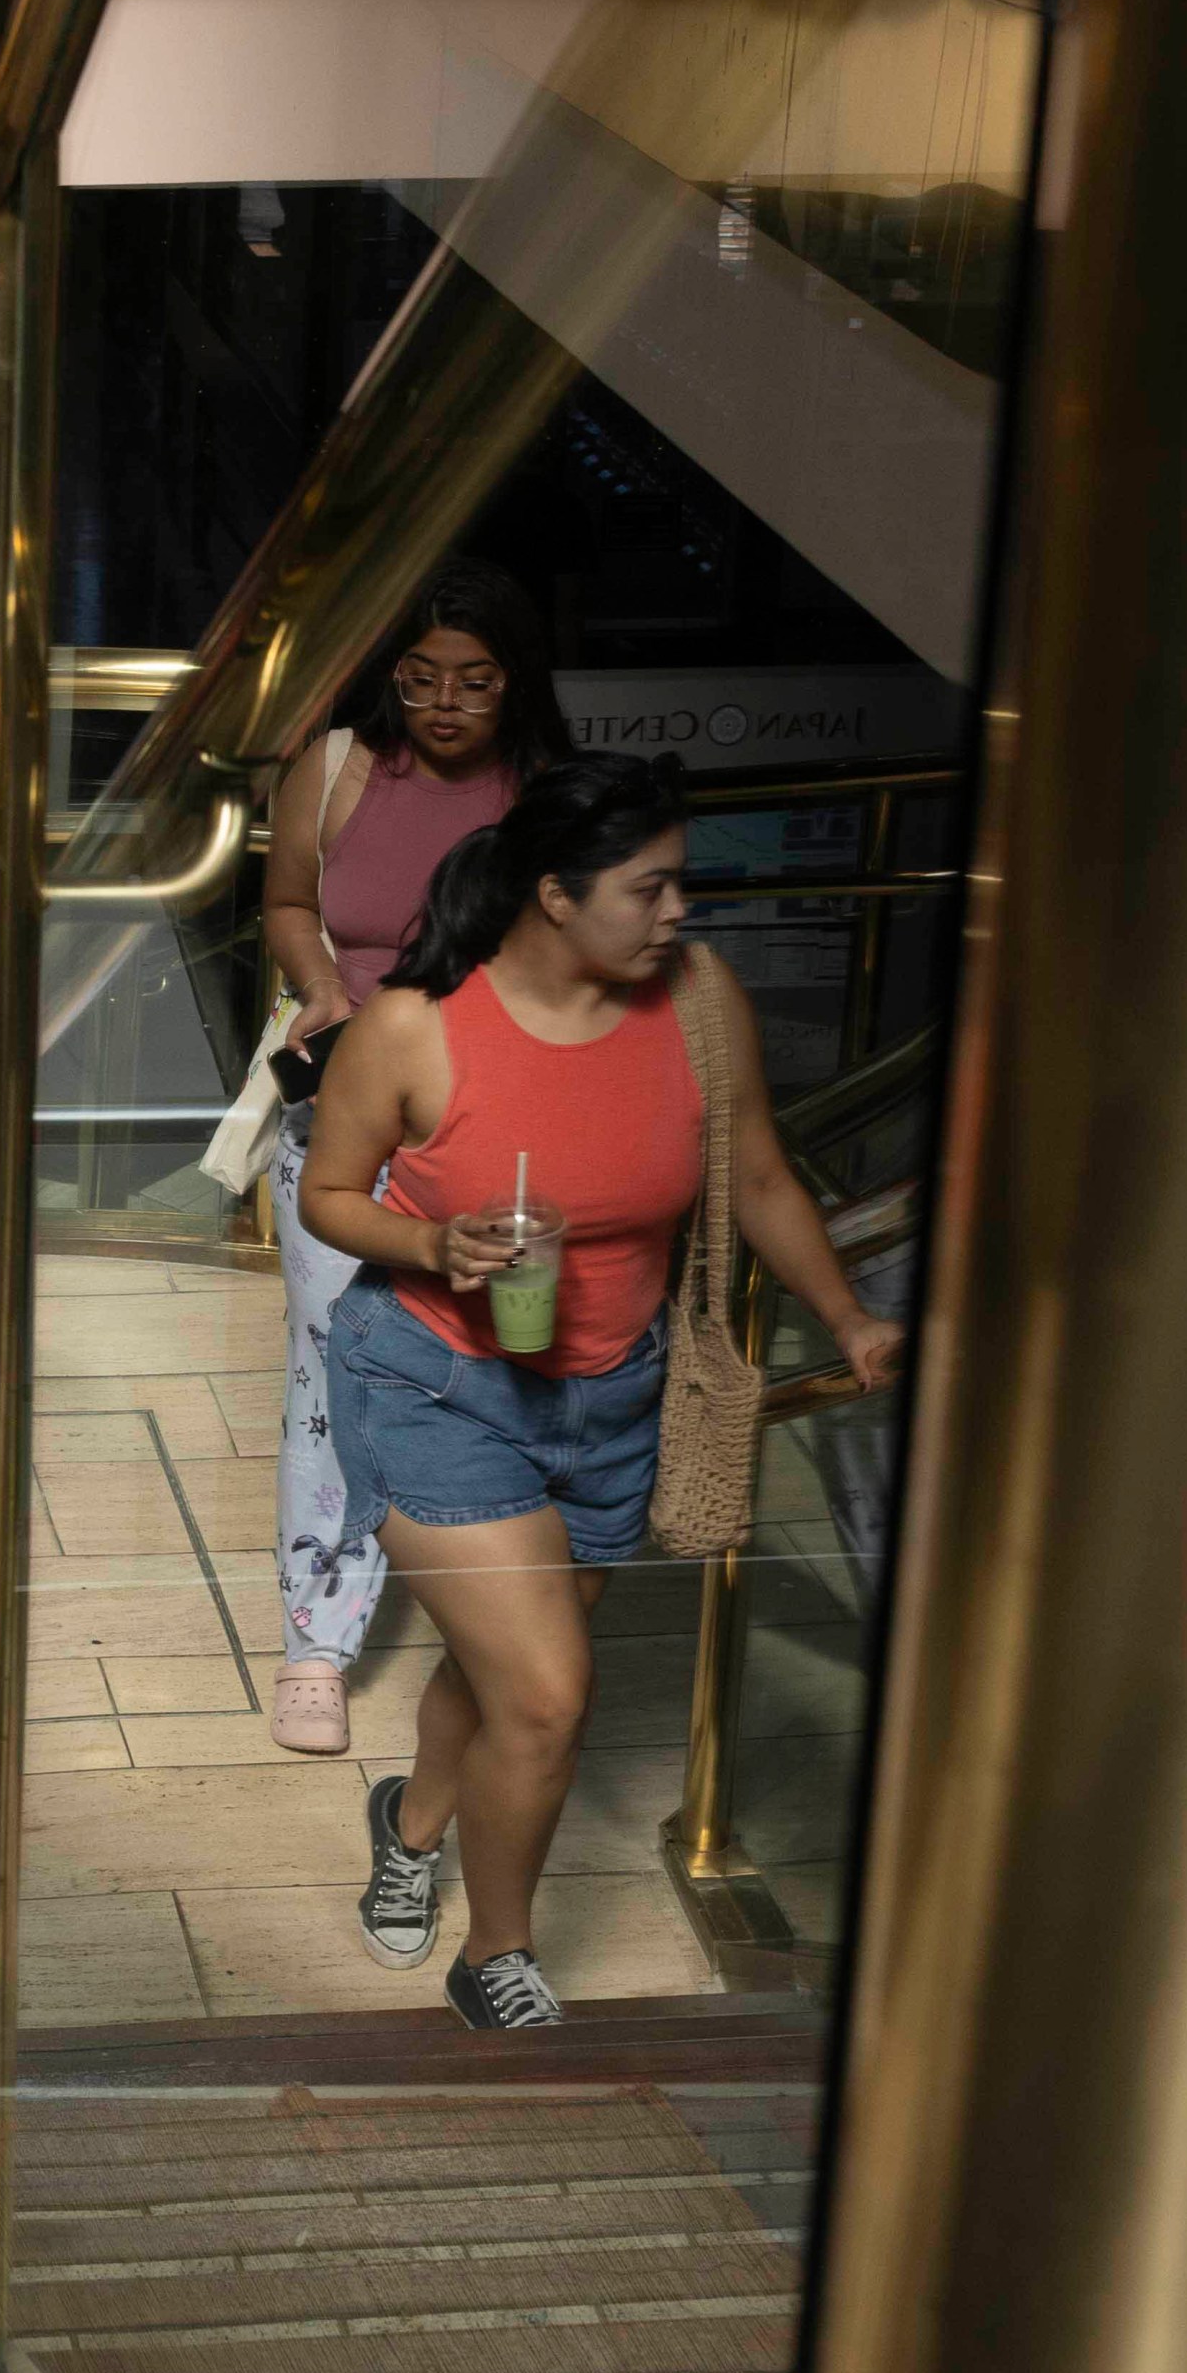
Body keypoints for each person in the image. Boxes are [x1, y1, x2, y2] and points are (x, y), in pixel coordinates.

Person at [300, 755, 899, 2032]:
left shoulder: (696, 1002)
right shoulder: (416, 1023)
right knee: (548, 1691)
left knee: (508, 1664)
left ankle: (406, 1825)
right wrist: (435, 1245)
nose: (681, 913)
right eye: (655, 887)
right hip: (439, 1383)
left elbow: (763, 1180)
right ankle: (496, 1953)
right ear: (556, 894)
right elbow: (328, 1196)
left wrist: (849, 1318)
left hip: (614, 1398)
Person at [253, 559, 572, 1754]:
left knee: (499, 1353)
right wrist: (324, 982)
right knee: (331, 1373)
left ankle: (485, 1615)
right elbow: (290, 902)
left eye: (475, 683)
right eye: (422, 678)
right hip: (345, 1105)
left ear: (515, 687)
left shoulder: (544, 790)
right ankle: (316, 1646)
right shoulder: (336, 768)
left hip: (492, 1115)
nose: (444, 705)